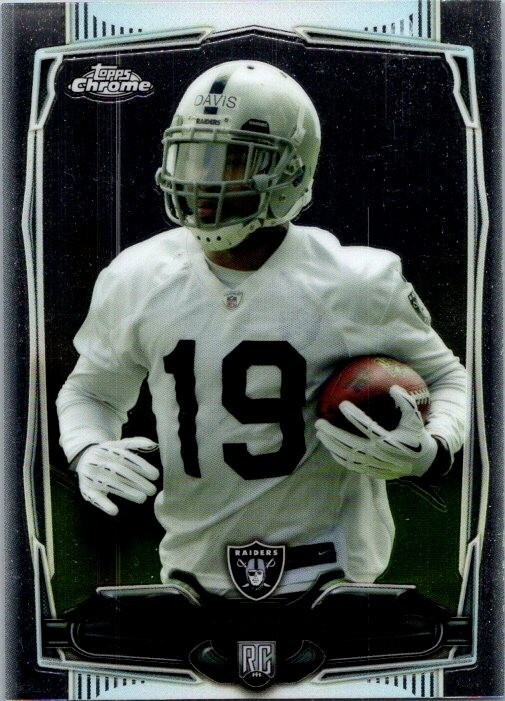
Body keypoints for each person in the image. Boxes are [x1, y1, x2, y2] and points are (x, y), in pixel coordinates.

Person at [57, 60, 467, 596]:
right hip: (190, 574)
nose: (203, 181)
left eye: (231, 161)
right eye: (193, 157)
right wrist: (88, 447)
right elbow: (91, 391)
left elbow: (448, 378)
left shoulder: (355, 282)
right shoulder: (137, 276)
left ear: (291, 171)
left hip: (335, 576)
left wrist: (431, 450)